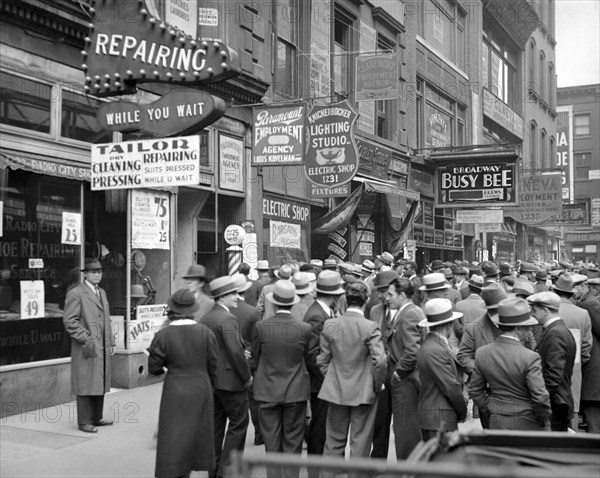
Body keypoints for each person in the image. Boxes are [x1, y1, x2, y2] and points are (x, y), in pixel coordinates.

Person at [317, 282, 386, 478]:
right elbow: (380, 360)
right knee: (360, 443)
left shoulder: (330, 324)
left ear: (345, 300)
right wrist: (377, 384)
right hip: (363, 391)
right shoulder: (369, 326)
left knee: (333, 442)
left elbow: (322, 359)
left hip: (335, 390)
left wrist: (331, 379)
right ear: (365, 302)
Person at [148, 289, 218, 478]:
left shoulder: (164, 335)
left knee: (174, 432)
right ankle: (191, 466)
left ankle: (174, 471)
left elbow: (154, 368)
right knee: (198, 432)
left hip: (175, 389)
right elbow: (214, 365)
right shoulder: (206, 332)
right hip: (201, 387)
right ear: (193, 310)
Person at [251, 281, 312, 478]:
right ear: (292, 304)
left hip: (267, 391)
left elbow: (254, 358)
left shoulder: (261, 327)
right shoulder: (304, 328)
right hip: (295, 391)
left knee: (271, 441)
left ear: (275, 304)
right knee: (293, 440)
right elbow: (309, 359)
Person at [469, 298, 551, 431]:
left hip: (497, 421)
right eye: (528, 326)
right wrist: (543, 418)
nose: (530, 330)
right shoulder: (530, 357)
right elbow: (540, 397)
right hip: (528, 422)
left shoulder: (482, 353)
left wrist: (491, 407)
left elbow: (475, 390)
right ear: (518, 328)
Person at [200, 276, 252, 478]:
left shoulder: (206, 318)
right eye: (233, 294)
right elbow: (235, 352)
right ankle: (228, 469)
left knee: (216, 426)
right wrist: (246, 376)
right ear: (222, 297)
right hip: (231, 381)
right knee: (239, 424)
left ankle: (213, 470)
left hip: (212, 380)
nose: (237, 298)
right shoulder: (228, 319)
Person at [63, 258, 115, 434]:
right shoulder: (76, 293)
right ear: (85, 273)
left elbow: (106, 319)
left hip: (101, 345)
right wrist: (86, 338)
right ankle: (84, 421)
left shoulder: (103, 292)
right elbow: (70, 321)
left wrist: (112, 341)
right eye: (94, 272)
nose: (97, 274)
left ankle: (96, 417)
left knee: (98, 380)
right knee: (85, 382)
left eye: (100, 271)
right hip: (86, 346)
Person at [303, 270, 345, 478]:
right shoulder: (316, 315)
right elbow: (312, 354)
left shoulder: (324, 311)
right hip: (321, 383)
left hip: (324, 380)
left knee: (324, 427)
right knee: (319, 428)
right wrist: (328, 377)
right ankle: (315, 471)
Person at [417, 299, 467, 441]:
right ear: (449, 325)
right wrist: (462, 411)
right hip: (439, 419)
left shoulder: (432, 345)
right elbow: (450, 386)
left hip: (435, 417)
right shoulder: (435, 349)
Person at [387, 277, 425, 459]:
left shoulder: (409, 314)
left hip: (406, 380)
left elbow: (412, 351)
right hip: (408, 378)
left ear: (402, 295)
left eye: (391, 294)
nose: (388, 298)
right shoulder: (412, 311)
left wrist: (398, 372)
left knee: (405, 429)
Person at [528, 291, 577, 431]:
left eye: (535, 310)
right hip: (556, 403)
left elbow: (554, 375)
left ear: (545, 311)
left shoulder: (555, 333)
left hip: (555, 405)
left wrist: (541, 402)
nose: (532, 314)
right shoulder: (555, 330)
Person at [551, 275, 593, 429]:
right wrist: (582, 360)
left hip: (550, 363)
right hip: (574, 364)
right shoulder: (582, 314)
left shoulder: (550, 311)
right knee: (573, 406)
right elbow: (587, 345)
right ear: (572, 293)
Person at [366, 270, 399, 459]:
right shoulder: (375, 310)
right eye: (380, 291)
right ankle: (378, 459)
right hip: (380, 371)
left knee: (403, 421)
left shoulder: (410, 310)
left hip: (401, 372)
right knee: (380, 420)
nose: (381, 295)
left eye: (385, 290)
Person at [230, 273, 262, 445]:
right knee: (253, 400)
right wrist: (249, 350)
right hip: (249, 361)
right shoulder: (252, 312)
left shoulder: (221, 310)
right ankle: (259, 434)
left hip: (226, 364)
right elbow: (257, 338)